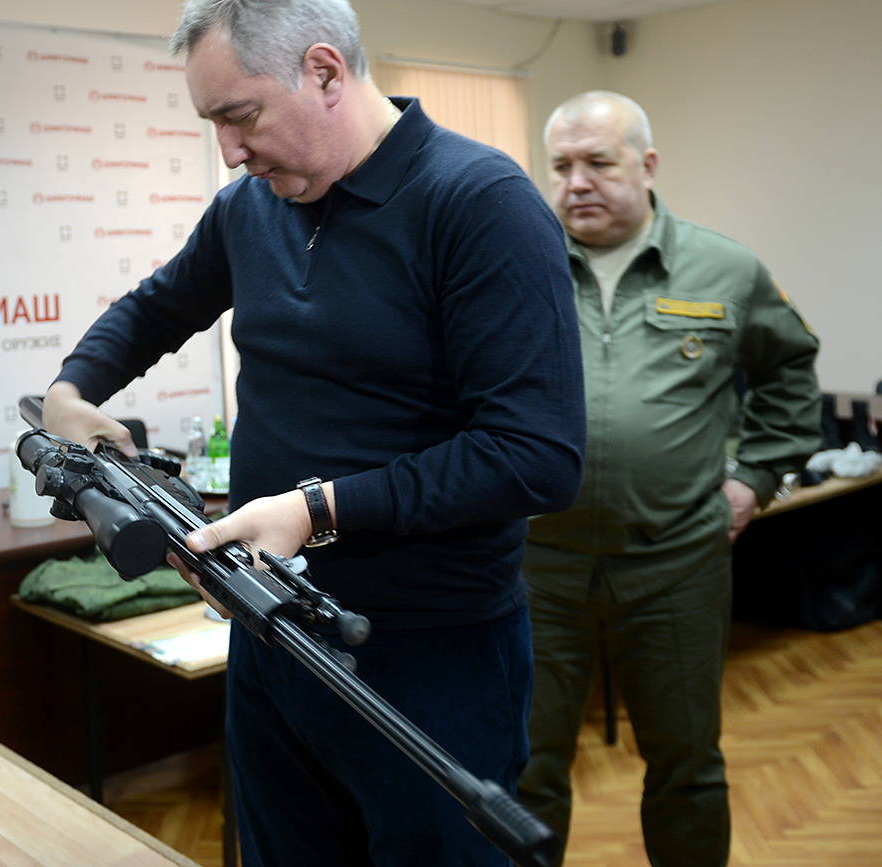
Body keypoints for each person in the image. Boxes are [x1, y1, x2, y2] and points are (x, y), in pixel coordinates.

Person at [39, 1, 586, 863]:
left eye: (240, 115)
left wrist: (314, 510)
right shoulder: (246, 209)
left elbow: (536, 457)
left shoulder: (480, 202)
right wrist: (74, 388)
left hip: (428, 654)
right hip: (269, 633)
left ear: (325, 72)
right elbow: (156, 308)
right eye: (213, 122)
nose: (228, 149)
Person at [517, 91, 821, 867]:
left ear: (647, 167)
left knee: (686, 765)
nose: (576, 182)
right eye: (560, 166)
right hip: (535, 566)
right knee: (522, 769)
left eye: (598, 162)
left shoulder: (725, 267)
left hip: (676, 564)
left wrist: (756, 473)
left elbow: (788, 366)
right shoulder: (514, 262)